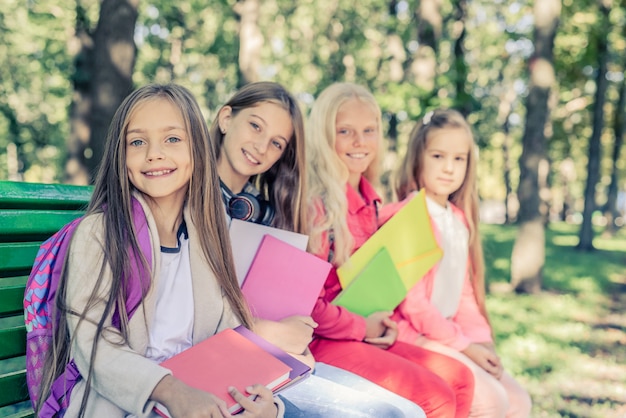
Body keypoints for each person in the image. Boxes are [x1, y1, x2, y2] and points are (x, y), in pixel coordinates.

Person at [38, 84, 282, 418]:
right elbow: (93, 344)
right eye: (137, 142)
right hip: (120, 403)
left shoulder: (207, 239)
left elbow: (230, 334)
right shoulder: (99, 233)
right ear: (120, 156)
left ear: (197, 149)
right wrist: (171, 391)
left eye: (172, 139)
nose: (154, 153)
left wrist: (264, 399)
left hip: (199, 398)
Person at [211, 80, 425, 417]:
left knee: (405, 413)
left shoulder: (265, 211)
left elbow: (279, 302)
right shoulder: (192, 201)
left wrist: (291, 339)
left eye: (277, 143)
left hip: (276, 352)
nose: (261, 146)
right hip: (230, 359)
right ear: (226, 119)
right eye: (255, 125)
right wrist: (276, 334)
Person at [305, 82, 475, 418]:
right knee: (436, 397)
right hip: (321, 340)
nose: (360, 142)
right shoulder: (316, 208)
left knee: (461, 379)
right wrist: (360, 327)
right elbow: (308, 306)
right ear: (325, 136)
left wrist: (381, 323)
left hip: (360, 332)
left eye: (369, 131)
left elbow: (376, 285)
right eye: (345, 131)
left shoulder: (374, 202)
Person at [389, 108, 533, 417]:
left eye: (459, 158)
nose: (449, 168)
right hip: (413, 336)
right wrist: (465, 345)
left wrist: (483, 343)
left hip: (448, 333)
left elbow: (464, 294)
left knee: (519, 401)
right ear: (418, 157)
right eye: (438, 156)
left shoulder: (457, 220)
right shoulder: (408, 215)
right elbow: (413, 306)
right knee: (491, 401)